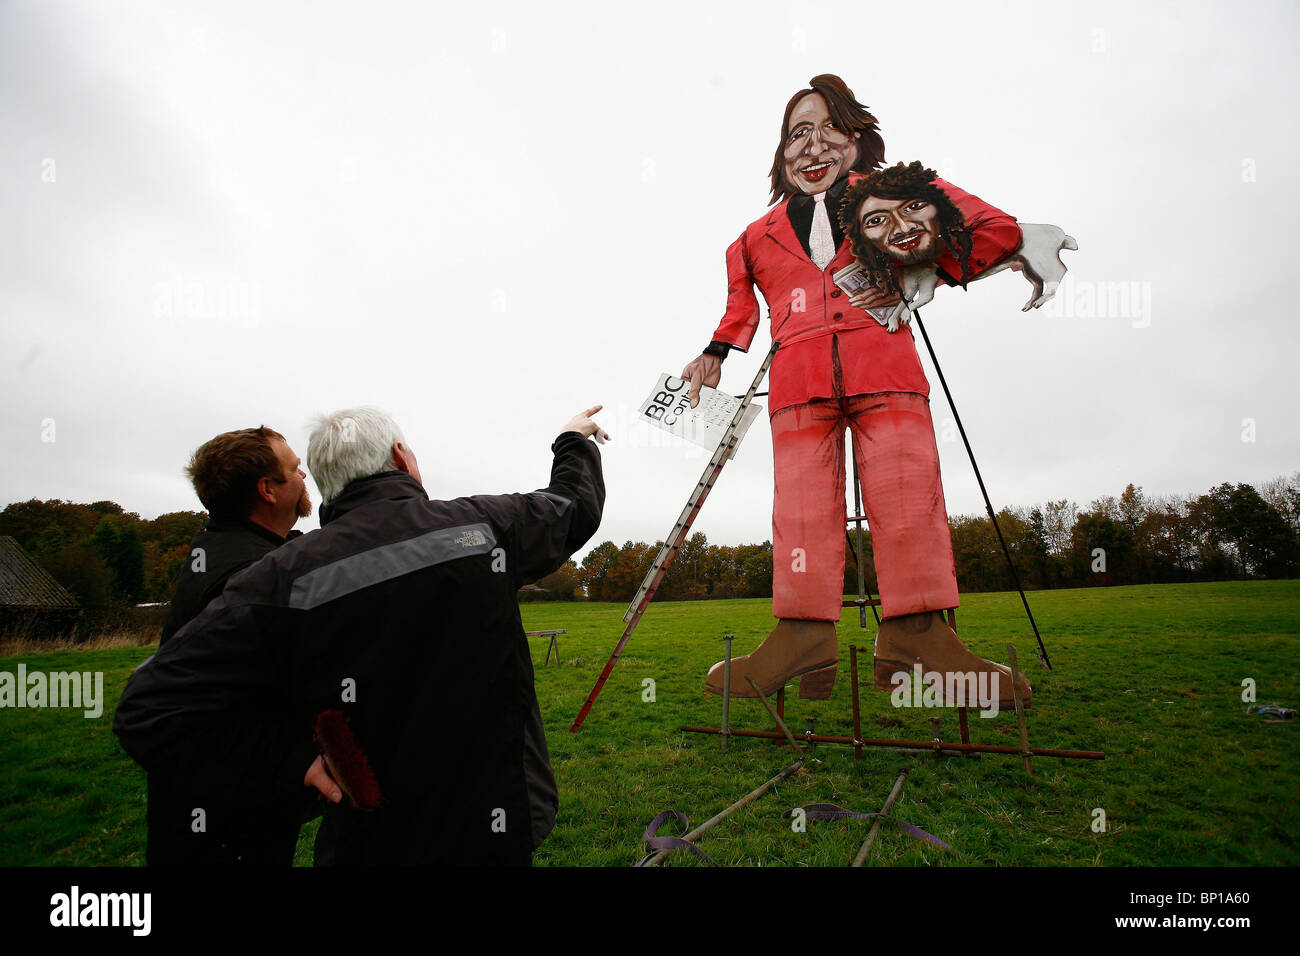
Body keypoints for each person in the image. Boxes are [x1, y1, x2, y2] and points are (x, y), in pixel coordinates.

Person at [115, 404, 607, 865]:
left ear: (328, 484)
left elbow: (147, 706)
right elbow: (571, 505)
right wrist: (571, 440)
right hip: (495, 825)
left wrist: (286, 764)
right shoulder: (484, 527)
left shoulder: (279, 576)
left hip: (366, 843)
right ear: (400, 456)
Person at [679, 75, 1030, 705]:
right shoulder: (751, 239)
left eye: (828, 130)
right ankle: (803, 641)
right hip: (797, 382)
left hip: (885, 369)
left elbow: (995, 230)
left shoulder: (895, 195)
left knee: (907, 500)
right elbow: (740, 309)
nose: (812, 147)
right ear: (781, 151)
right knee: (802, 513)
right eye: (797, 134)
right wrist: (716, 352)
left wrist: (917, 266)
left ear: (856, 139)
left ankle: (918, 640)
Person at [147, 425, 312, 866]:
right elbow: (204, 714)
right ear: (267, 490)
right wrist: (295, 766)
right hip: (226, 826)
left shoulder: (229, 549)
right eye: (294, 469)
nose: (305, 475)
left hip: (219, 805)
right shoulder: (244, 577)